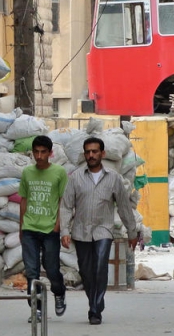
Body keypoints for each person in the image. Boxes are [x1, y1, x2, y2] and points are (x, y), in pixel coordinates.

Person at [60, 137, 138, 325]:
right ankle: (94, 300)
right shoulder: (76, 177)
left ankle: (95, 310)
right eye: (88, 152)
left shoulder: (113, 178)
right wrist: (64, 230)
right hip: (81, 231)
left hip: (103, 230)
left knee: (100, 267)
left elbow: (124, 207)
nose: (91, 155)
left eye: (95, 151)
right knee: (86, 272)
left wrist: (132, 232)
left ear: (102, 154)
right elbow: (66, 206)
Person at [19, 135, 68, 323]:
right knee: (31, 272)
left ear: (50, 153)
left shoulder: (59, 173)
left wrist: (58, 225)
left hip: (50, 230)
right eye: (36, 152)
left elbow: (63, 201)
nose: (39, 156)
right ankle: (37, 309)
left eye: (43, 152)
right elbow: (23, 200)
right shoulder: (27, 173)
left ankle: (59, 292)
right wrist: (21, 227)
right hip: (30, 228)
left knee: (52, 269)